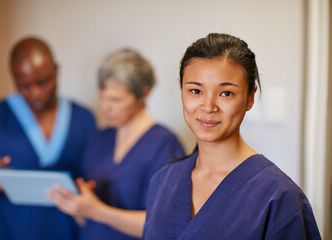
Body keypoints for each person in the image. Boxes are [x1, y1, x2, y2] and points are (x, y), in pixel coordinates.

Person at [142, 33, 322, 239]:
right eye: (195, 91)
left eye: (226, 93)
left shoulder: (279, 197)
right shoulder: (163, 181)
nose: (208, 107)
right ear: (181, 90)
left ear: (250, 98)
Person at [48, 48, 185, 240]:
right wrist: (78, 205)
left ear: (143, 94)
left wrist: (97, 211)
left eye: (115, 100)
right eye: (102, 97)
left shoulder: (164, 144)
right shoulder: (99, 138)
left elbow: (164, 226)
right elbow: (85, 215)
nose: (105, 107)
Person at [0, 37, 96, 240]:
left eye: (43, 82)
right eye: (24, 86)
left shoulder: (84, 118)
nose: (36, 93)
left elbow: (96, 184)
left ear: (56, 70)